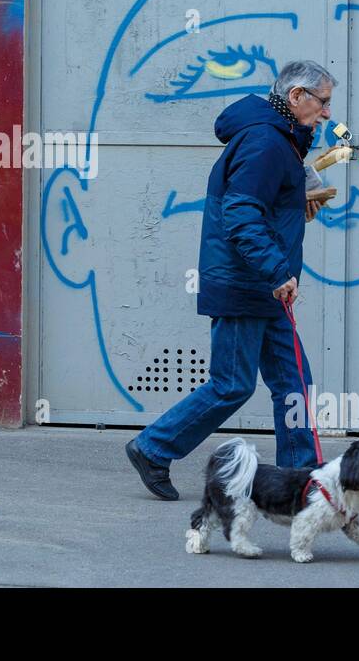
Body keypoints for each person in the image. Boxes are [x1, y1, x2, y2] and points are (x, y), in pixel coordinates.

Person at [125, 60, 335, 499]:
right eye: (323, 102)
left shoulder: (281, 142)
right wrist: (276, 270)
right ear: (297, 97)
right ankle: (153, 447)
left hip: (267, 285)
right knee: (232, 384)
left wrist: (297, 208)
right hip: (247, 283)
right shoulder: (264, 142)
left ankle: (304, 479)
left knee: (294, 384)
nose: (328, 113)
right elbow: (239, 215)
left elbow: (260, 210)